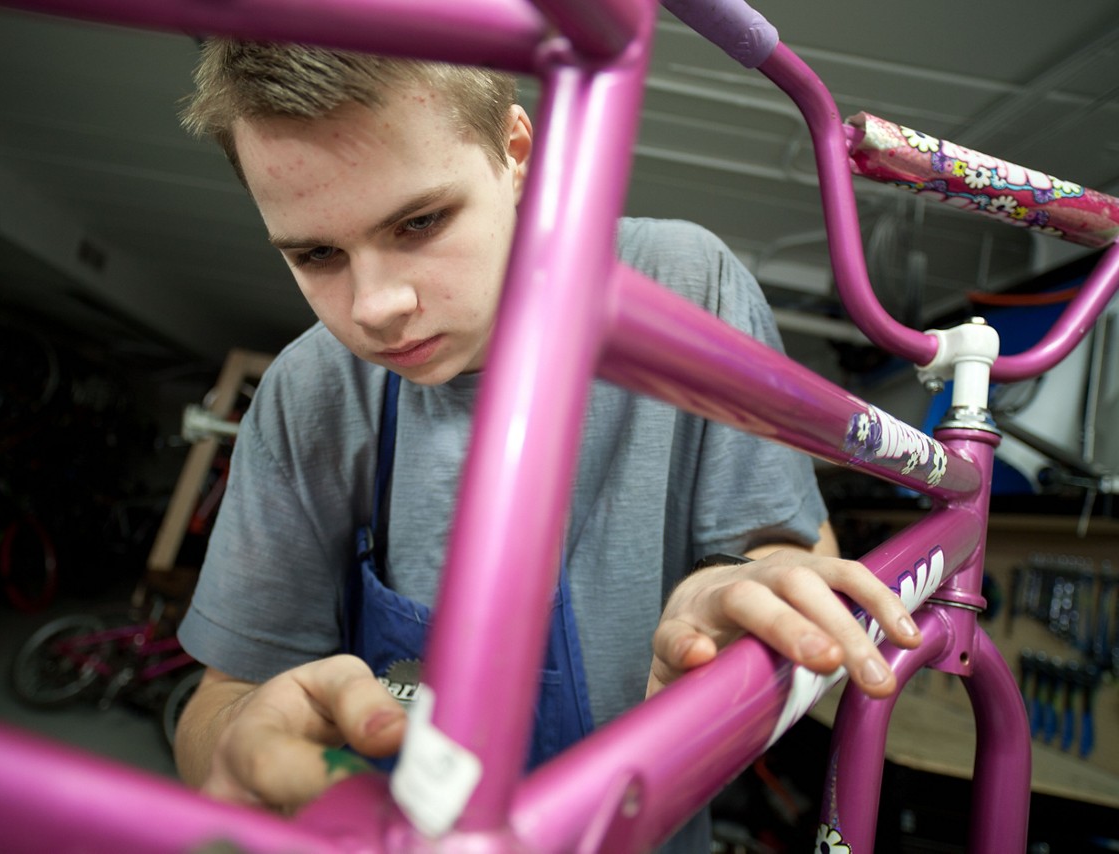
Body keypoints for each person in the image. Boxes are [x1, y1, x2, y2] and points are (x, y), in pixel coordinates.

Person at [171, 39, 921, 848]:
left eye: (420, 222)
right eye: (316, 255)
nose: (378, 306)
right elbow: (221, 701)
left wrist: (743, 590)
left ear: (515, 151)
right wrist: (239, 742)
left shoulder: (681, 288)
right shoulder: (309, 392)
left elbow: (794, 558)